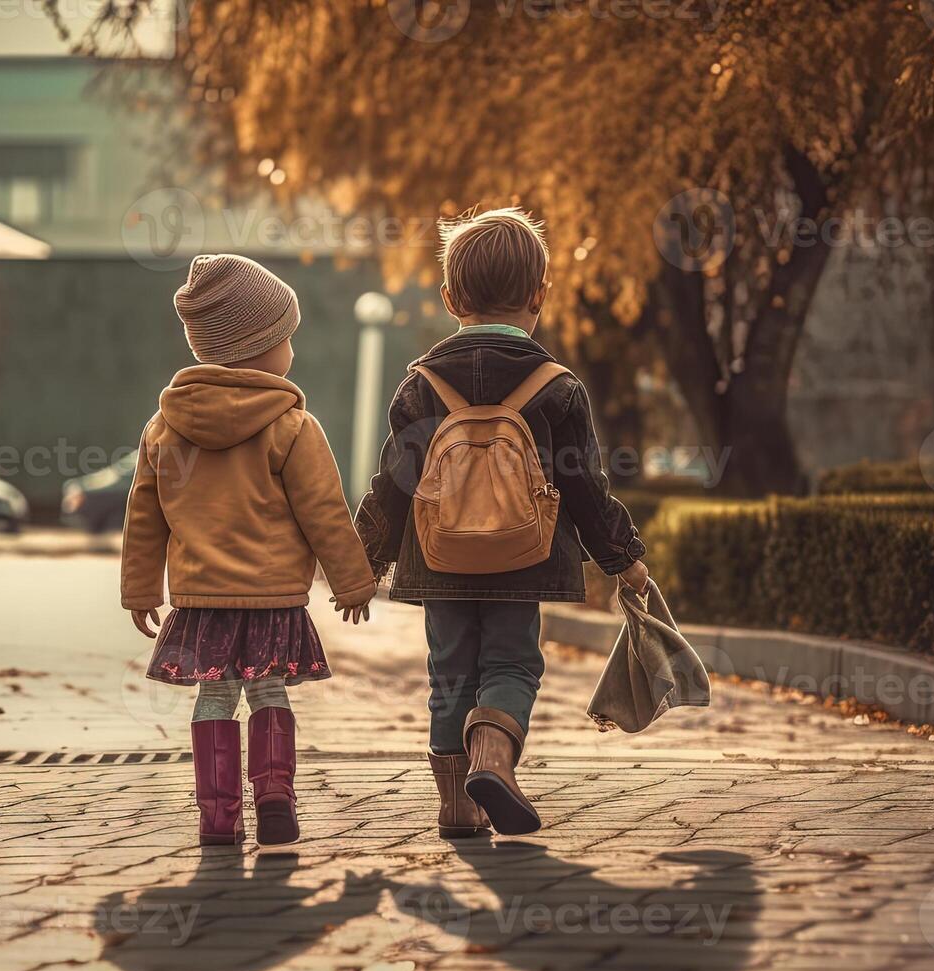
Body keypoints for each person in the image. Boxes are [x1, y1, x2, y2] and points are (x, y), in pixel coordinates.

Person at [354, 208, 648, 837]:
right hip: (526, 557)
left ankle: (457, 804)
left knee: (449, 670)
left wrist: (365, 561)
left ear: (450, 296)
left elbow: (393, 483)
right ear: (540, 294)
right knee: (512, 663)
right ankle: (493, 753)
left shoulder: (420, 387)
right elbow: (584, 487)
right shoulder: (557, 387)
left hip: (440, 559)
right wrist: (624, 559)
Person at [122, 253, 375, 846]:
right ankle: (275, 796)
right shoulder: (291, 426)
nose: (292, 348)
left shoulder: (165, 427)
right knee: (267, 689)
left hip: (201, 601)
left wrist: (139, 590)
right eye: (287, 336)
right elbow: (324, 511)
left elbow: (144, 514)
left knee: (214, 695)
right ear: (261, 344)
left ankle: (217, 815)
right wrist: (354, 582)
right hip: (271, 598)